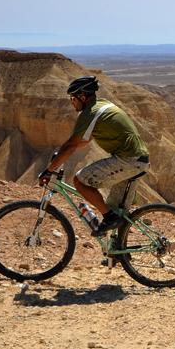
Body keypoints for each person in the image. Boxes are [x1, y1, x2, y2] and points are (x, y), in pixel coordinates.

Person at [38, 76, 150, 236]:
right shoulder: (101, 105)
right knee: (116, 210)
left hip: (128, 160)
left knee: (79, 181)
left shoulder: (90, 113)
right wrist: (61, 157)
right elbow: (83, 142)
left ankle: (110, 218)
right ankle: (119, 253)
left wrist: (49, 170)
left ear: (83, 97)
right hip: (139, 160)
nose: (72, 102)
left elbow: (72, 145)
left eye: (73, 98)